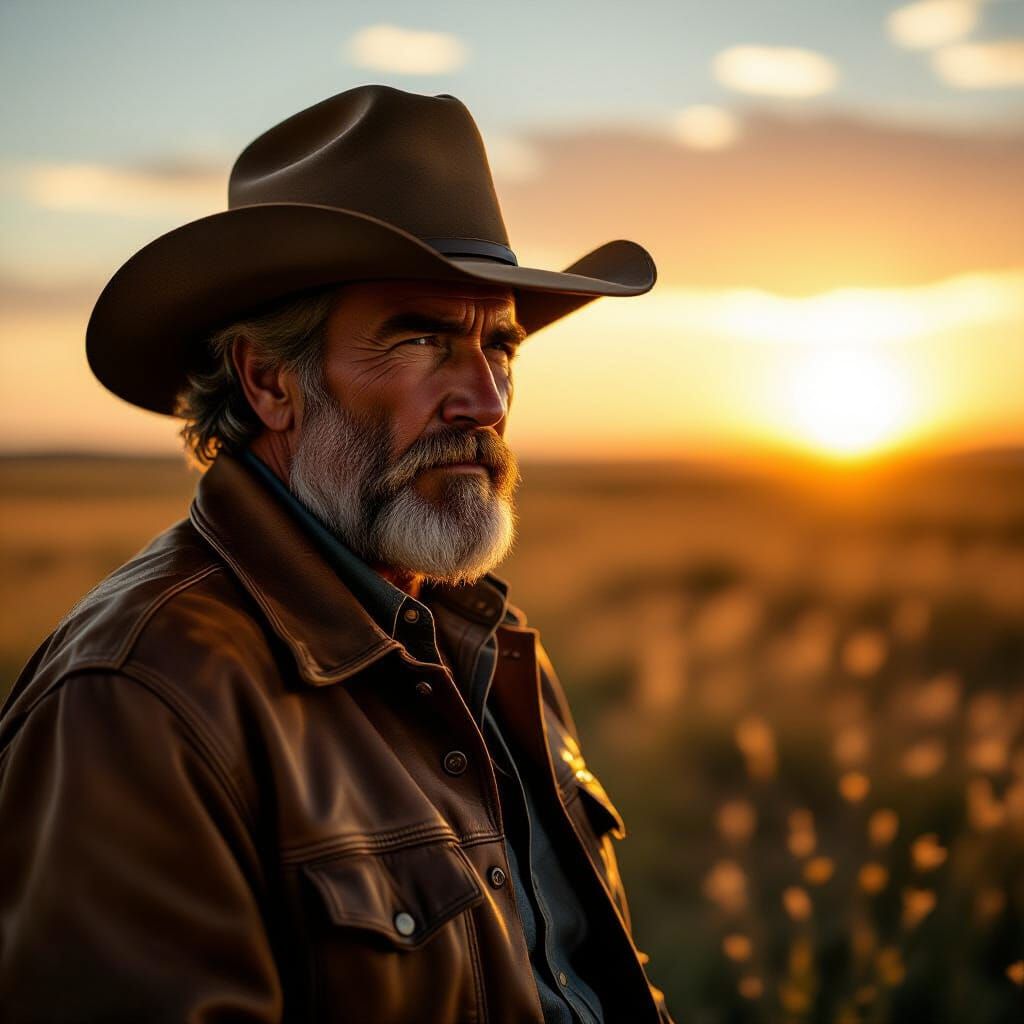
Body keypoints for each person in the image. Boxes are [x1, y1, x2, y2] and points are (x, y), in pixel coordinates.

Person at [0, 85, 672, 1023]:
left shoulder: (489, 641)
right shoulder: (140, 700)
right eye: (422, 338)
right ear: (269, 381)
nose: (484, 400)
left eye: (500, 349)